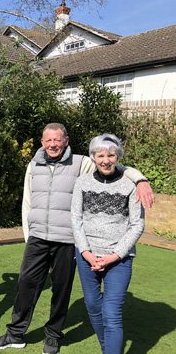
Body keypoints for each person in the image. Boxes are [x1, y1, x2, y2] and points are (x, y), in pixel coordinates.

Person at [0, 123, 153, 354]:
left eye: (57, 140)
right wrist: (28, 233)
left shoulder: (81, 162)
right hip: (38, 238)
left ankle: (53, 336)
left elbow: (111, 164)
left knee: (61, 290)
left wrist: (141, 179)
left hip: (67, 239)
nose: (53, 144)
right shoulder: (33, 164)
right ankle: (15, 333)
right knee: (26, 285)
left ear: (65, 140)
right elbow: (28, 198)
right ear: (42, 142)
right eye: (48, 140)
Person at [72, 134, 144, 354]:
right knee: (93, 307)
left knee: (111, 313)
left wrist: (114, 255)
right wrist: (86, 252)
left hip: (119, 260)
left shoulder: (130, 185)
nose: (105, 160)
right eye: (100, 155)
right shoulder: (82, 182)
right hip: (87, 257)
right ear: (93, 157)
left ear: (118, 157)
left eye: (111, 155)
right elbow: (76, 218)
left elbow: (136, 225)